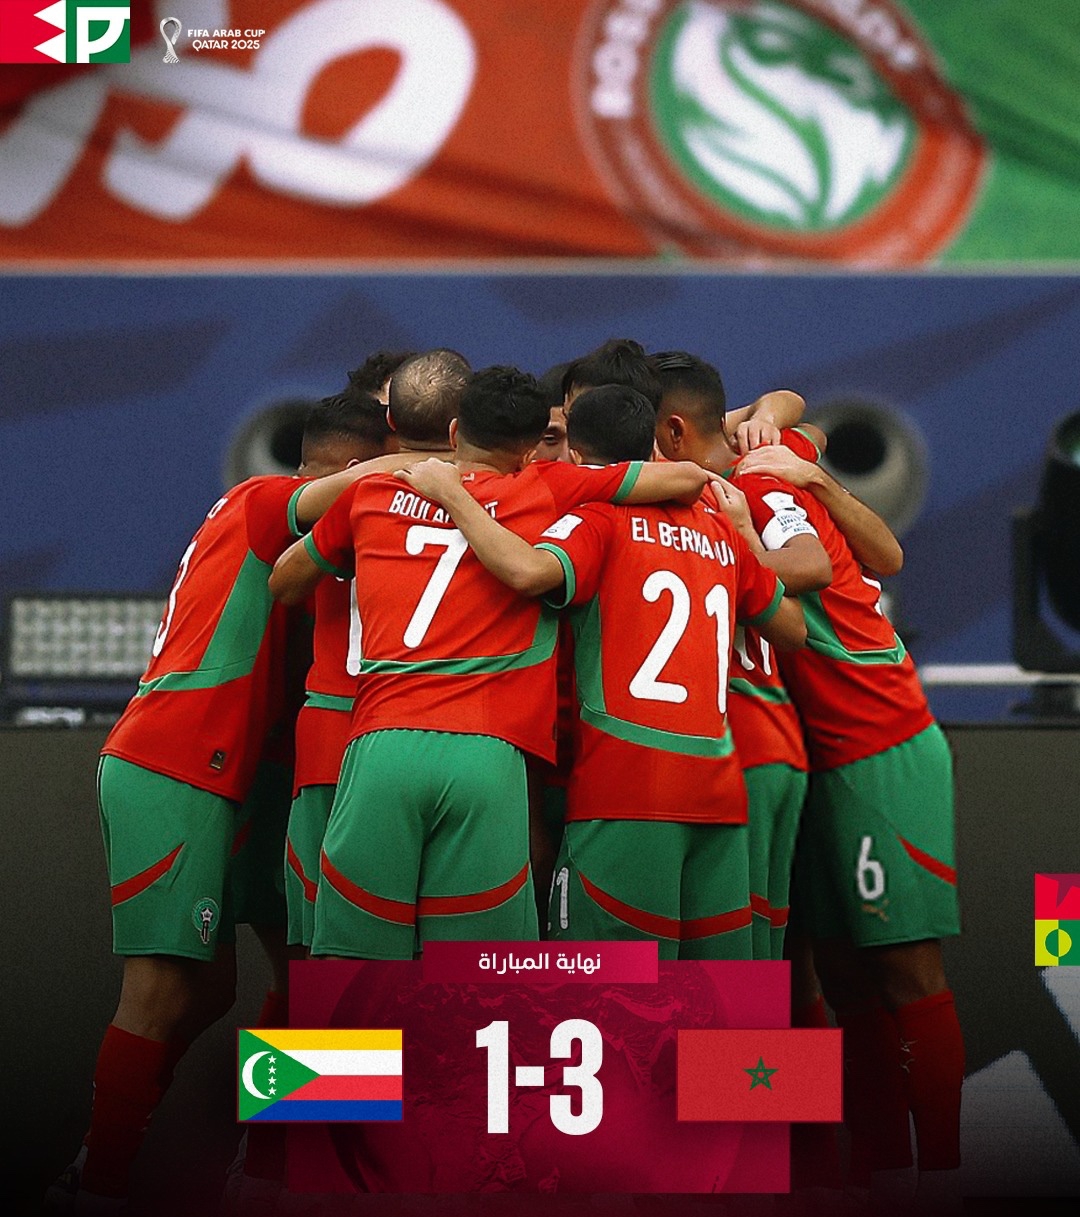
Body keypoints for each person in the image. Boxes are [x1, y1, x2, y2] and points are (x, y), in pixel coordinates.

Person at [45, 393, 399, 1215]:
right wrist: (455, 463)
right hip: (175, 763)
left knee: (305, 974)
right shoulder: (263, 499)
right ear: (351, 469)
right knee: (164, 990)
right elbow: (361, 488)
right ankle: (97, 1178)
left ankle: (267, 1167)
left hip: (254, 776)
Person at [268, 365, 714, 960]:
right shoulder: (547, 486)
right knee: (477, 979)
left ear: (456, 431)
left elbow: (285, 580)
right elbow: (685, 479)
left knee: (351, 974)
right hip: (488, 754)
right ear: (529, 450)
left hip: (381, 744)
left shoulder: (371, 493)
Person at [657, 363, 963, 1196]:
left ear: (671, 431)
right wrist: (775, 415)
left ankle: (943, 1172)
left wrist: (802, 483)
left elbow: (863, 557)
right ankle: (867, 1168)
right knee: (829, 977)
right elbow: (791, 415)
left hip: (876, 741)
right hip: (802, 756)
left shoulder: (754, 484)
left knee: (901, 971)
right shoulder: (746, 454)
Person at [398, 383, 806, 959]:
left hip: (625, 790)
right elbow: (793, 630)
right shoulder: (718, 528)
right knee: (720, 999)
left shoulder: (597, 521)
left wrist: (452, 497)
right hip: (717, 790)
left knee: (610, 994)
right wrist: (741, 538)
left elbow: (527, 573)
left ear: (575, 453)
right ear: (652, 446)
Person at [285, 350, 468, 949]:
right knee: (328, 956)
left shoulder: (482, 495)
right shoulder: (345, 496)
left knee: (432, 959)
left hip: (427, 735)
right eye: (397, 412)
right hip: (344, 729)